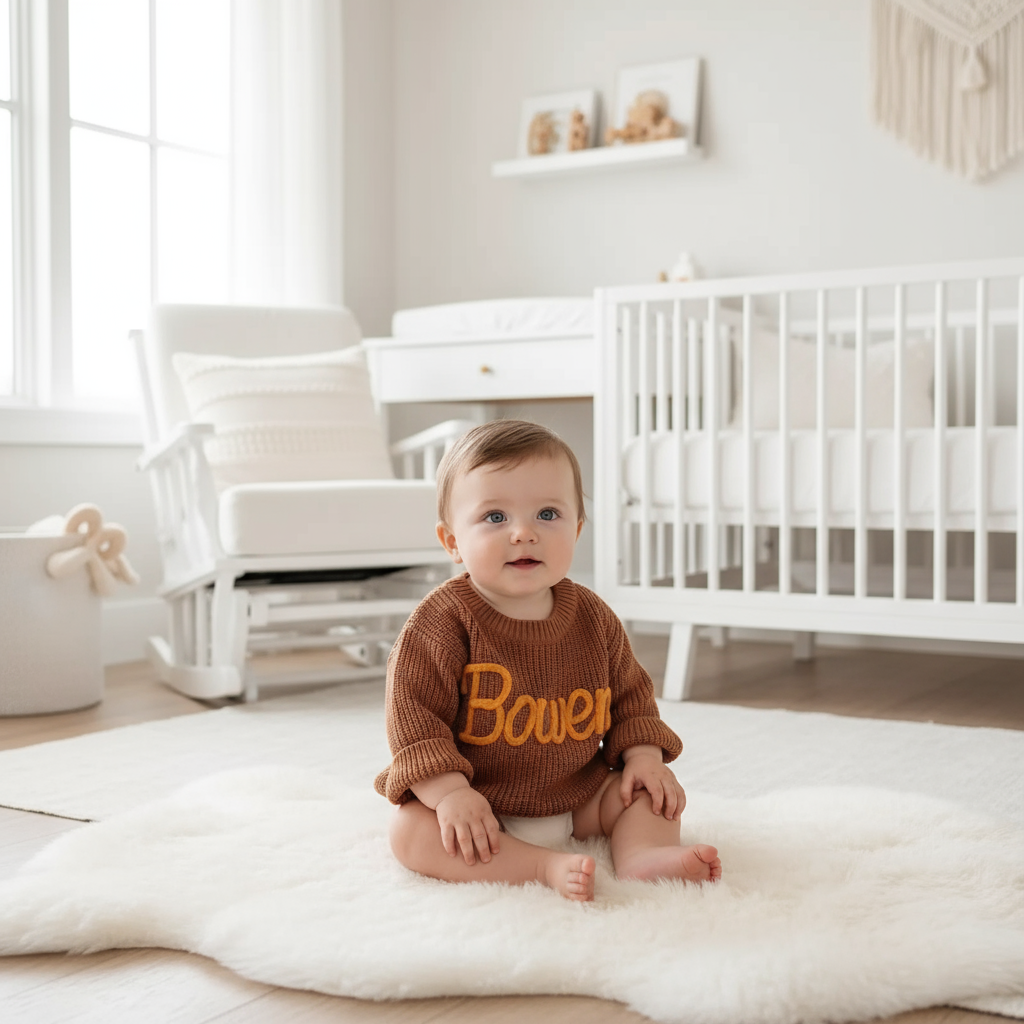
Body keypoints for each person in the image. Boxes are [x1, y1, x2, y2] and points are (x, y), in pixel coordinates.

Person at [374, 419, 721, 901]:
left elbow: (632, 699)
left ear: (576, 529)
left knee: (650, 793)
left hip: (580, 796)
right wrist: (451, 794)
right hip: (479, 805)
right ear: (452, 541)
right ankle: (539, 866)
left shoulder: (593, 618)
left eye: (547, 514)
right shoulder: (440, 624)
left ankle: (642, 856)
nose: (523, 533)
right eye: (495, 517)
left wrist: (643, 758)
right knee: (410, 832)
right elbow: (415, 724)